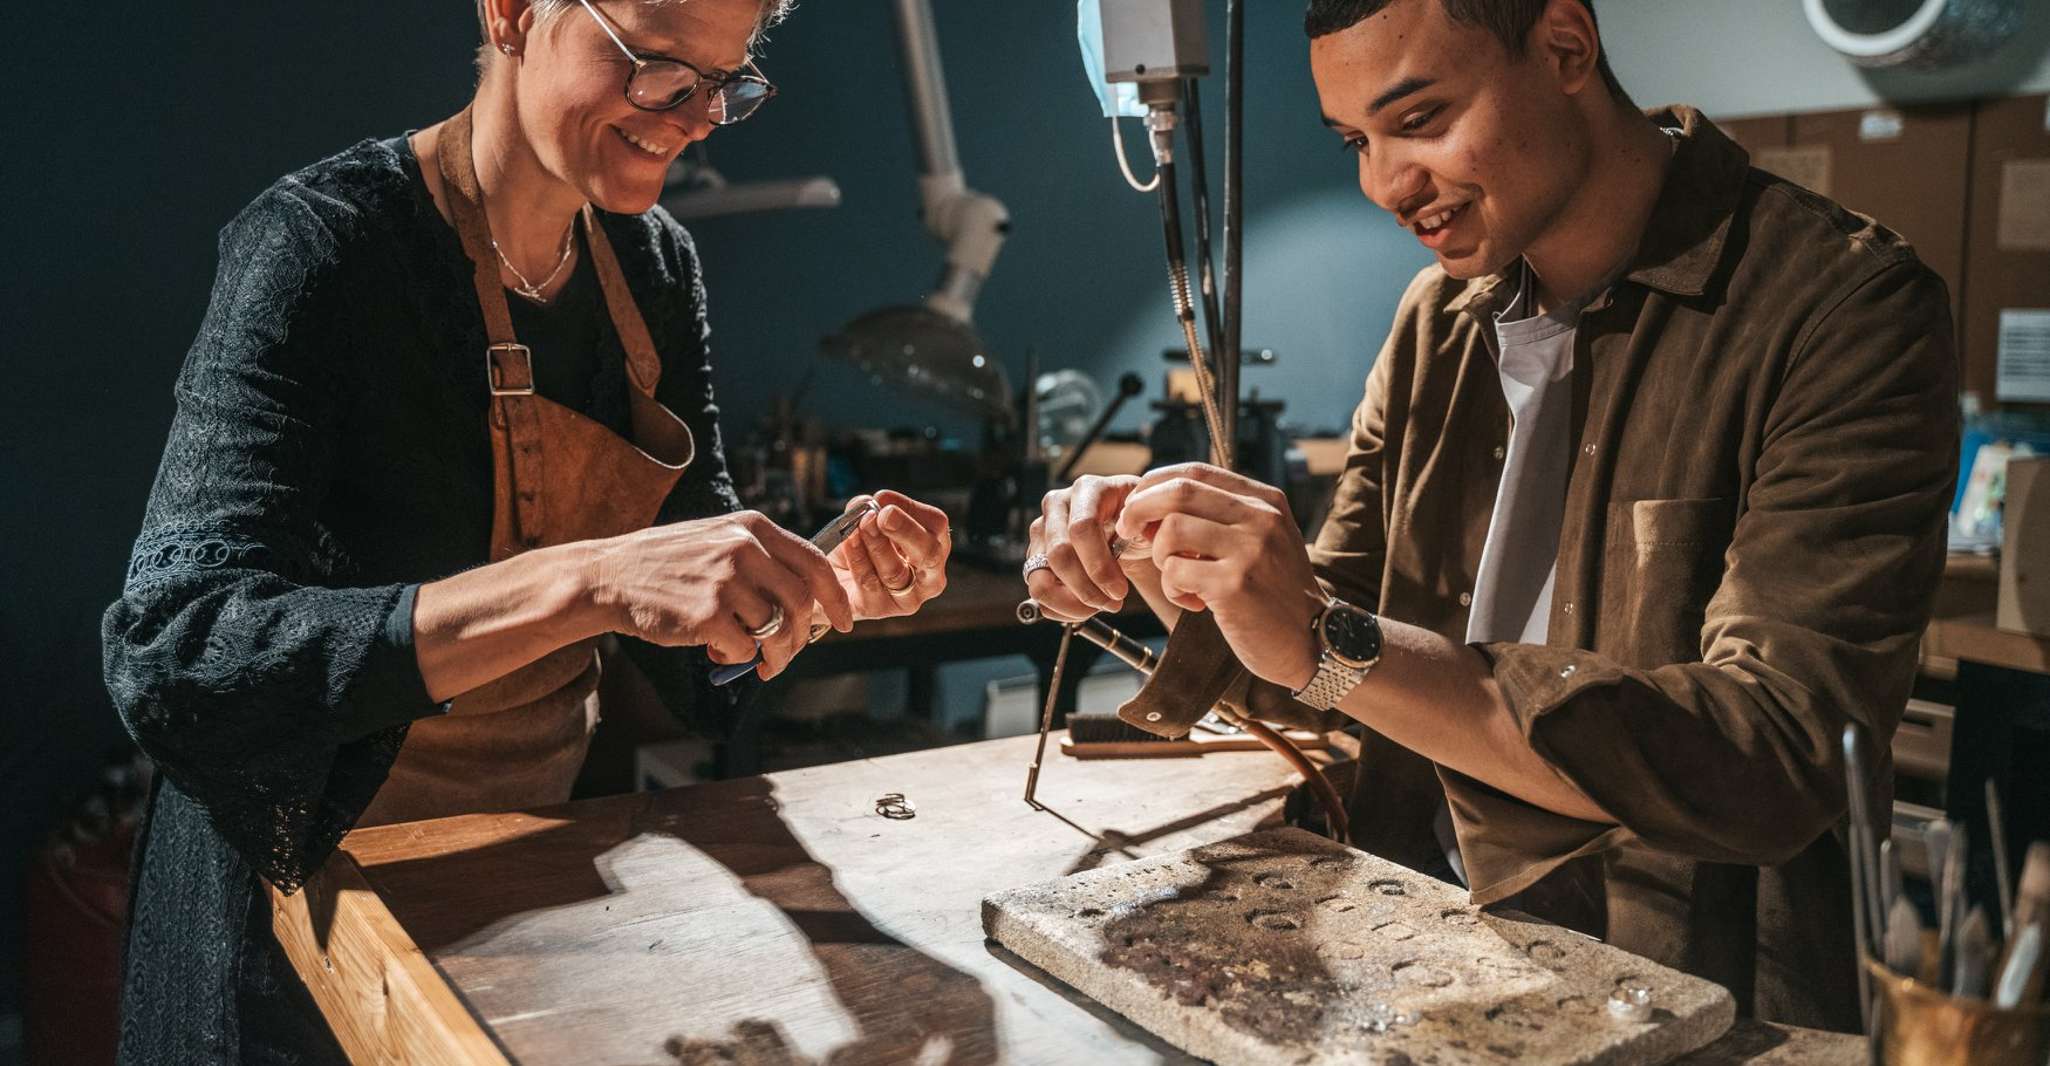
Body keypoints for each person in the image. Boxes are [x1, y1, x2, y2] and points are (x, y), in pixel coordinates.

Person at [1026, 0, 1956, 1031]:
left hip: (1693, 987)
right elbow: (1329, 671)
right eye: (1355, 142)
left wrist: (1324, 643)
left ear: (1563, 46)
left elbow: (1778, 751)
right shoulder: (1436, 323)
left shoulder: (1841, 309)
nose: (1384, 184)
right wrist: (1180, 571)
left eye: (1419, 119)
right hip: (1419, 940)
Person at [101, 0, 955, 1060]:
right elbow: (175, 653)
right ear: (509, 12)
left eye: (722, 83)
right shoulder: (323, 245)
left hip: (526, 888)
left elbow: (692, 666)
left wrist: (812, 578)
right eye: (653, 65)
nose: (687, 117)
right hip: (298, 916)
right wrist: (587, 581)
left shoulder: (653, 267)